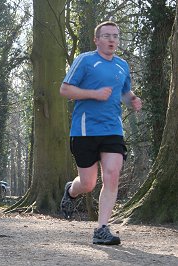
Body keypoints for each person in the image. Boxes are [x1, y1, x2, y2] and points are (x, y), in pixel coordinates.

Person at [59, 21, 142, 245]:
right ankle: (72, 190)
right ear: (96, 40)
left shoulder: (122, 65)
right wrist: (93, 94)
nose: (112, 40)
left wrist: (132, 99)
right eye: (106, 36)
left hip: (112, 128)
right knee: (88, 184)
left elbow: (123, 92)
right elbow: (65, 89)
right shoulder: (85, 60)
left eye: (115, 36)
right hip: (85, 129)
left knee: (112, 174)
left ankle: (102, 229)